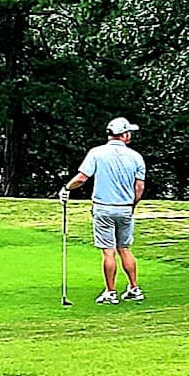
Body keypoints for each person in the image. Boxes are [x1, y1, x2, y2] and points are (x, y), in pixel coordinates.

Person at [59, 117, 147, 304]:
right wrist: (132, 205)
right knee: (124, 249)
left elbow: (82, 178)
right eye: (128, 132)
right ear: (123, 135)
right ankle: (134, 288)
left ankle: (111, 292)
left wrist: (66, 188)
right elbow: (139, 188)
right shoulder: (136, 157)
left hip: (103, 208)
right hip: (125, 209)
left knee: (109, 251)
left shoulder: (96, 153)